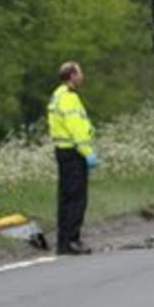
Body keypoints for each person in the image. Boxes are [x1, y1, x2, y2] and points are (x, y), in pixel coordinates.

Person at [47, 61, 97, 255]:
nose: (82, 76)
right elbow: (76, 127)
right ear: (72, 76)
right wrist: (88, 153)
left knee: (65, 198)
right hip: (73, 153)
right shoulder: (68, 98)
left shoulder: (57, 95)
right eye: (80, 73)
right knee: (76, 199)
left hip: (62, 151)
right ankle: (72, 241)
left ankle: (63, 242)